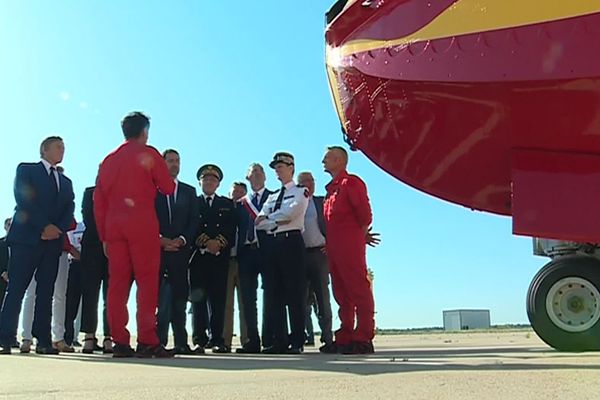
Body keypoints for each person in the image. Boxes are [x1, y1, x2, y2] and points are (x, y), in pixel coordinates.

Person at [94, 112, 175, 358]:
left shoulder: (109, 160)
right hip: (142, 224)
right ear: (145, 131)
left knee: (117, 285)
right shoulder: (148, 153)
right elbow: (168, 188)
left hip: (114, 227)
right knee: (147, 283)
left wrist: (104, 236)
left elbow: (99, 199)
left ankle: (119, 341)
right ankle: (148, 340)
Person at [0, 136, 75, 355]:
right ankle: (5, 337)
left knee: (46, 291)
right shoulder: (27, 170)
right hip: (26, 239)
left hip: (52, 243)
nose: (62, 150)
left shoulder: (66, 182)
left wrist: (56, 229)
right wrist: (43, 226)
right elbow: (24, 199)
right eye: (59, 147)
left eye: (64, 147)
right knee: (17, 288)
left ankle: (43, 339)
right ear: (44, 149)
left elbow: (69, 207)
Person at [322, 146, 380, 354]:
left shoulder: (351, 183)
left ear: (339, 160)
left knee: (358, 288)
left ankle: (364, 336)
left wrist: (357, 238)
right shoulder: (331, 190)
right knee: (341, 292)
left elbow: (365, 215)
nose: (323, 161)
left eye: (327, 158)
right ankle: (345, 336)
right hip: (334, 248)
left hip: (349, 245)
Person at [256, 152, 309, 354]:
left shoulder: (300, 192)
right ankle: (280, 340)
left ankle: (297, 341)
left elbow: (291, 214)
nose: (277, 170)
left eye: (281, 166)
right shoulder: (271, 196)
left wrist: (271, 221)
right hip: (273, 245)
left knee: (294, 293)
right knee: (274, 294)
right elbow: (258, 223)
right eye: (275, 167)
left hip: (291, 243)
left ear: (291, 167)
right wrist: (275, 221)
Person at [189, 164, 237, 354]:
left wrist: (218, 243)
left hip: (219, 259)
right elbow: (191, 225)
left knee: (218, 301)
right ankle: (199, 340)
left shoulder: (226, 204)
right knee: (198, 302)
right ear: (200, 182)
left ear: (218, 184)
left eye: (213, 180)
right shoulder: (193, 202)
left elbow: (231, 228)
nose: (209, 182)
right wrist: (205, 243)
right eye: (206, 179)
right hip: (198, 258)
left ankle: (218, 339)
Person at [155, 149, 198, 355]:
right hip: (159, 251)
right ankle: (158, 341)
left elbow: (193, 221)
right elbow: (148, 217)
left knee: (180, 299)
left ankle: (181, 342)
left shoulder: (189, 192)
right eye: (170, 161)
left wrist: (181, 240)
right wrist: (161, 240)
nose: (174, 164)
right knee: (160, 300)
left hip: (181, 254)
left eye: (177, 161)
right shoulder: (153, 190)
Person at [236, 163, 275, 353]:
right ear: (247, 178)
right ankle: (252, 340)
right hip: (246, 253)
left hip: (267, 251)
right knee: (247, 298)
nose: (257, 174)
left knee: (270, 295)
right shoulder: (241, 203)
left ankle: (269, 339)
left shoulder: (275, 197)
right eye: (253, 171)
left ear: (266, 177)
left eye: (260, 171)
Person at [297, 171, 334, 353]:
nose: (309, 184)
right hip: (299, 256)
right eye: (304, 181)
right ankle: (301, 337)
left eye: (311, 180)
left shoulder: (322, 201)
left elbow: (334, 222)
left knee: (322, 297)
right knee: (300, 299)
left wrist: (331, 242)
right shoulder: (294, 203)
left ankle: (327, 337)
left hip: (320, 254)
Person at [80, 185, 111, 354]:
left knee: (110, 295)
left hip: (113, 249)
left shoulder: (118, 192)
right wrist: (104, 237)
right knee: (90, 293)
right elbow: (88, 217)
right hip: (92, 247)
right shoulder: (89, 192)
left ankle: (109, 336)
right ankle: (89, 336)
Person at [223, 182, 247, 351]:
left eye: (240, 192)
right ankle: (224, 341)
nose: (237, 194)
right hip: (226, 261)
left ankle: (247, 340)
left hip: (245, 259)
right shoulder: (223, 210)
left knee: (245, 303)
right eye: (234, 192)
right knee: (226, 303)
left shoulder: (248, 210)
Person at [0, 218, 11, 314]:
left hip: (16, 281)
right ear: (5, 227)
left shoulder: (21, 246)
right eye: (8, 224)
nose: (10, 226)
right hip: (1, 280)